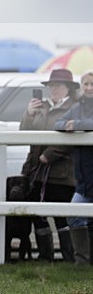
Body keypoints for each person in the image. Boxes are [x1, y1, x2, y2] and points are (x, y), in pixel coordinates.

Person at [18, 68, 78, 262]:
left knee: (61, 215)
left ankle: (70, 257)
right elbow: (23, 132)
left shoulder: (75, 108)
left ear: (68, 88)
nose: (54, 89)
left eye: (58, 85)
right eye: (52, 85)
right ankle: (45, 256)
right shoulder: (41, 106)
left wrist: (49, 155)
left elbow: (72, 138)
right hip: (35, 170)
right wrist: (28, 113)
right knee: (37, 212)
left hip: (60, 171)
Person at [55, 70, 93, 265]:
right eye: (86, 84)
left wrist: (76, 125)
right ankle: (82, 262)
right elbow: (58, 123)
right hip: (83, 179)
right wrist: (70, 125)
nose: (89, 88)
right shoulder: (77, 107)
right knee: (75, 215)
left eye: (92, 85)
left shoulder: (77, 113)